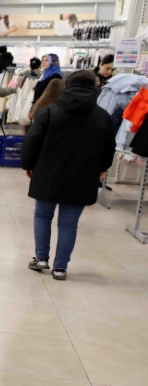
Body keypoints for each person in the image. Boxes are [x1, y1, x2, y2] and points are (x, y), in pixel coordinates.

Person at [22, 70, 116, 281]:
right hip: (83, 176)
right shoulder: (103, 116)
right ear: (95, 88)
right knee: (69, 223)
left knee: (43, 215)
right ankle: (60, 267)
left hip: (48, 172)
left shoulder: (49, 111)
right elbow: (109, 147)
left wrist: (28, 164)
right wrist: (103, 167)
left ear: (67, 86)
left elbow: (32, 140)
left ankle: (41, 258)